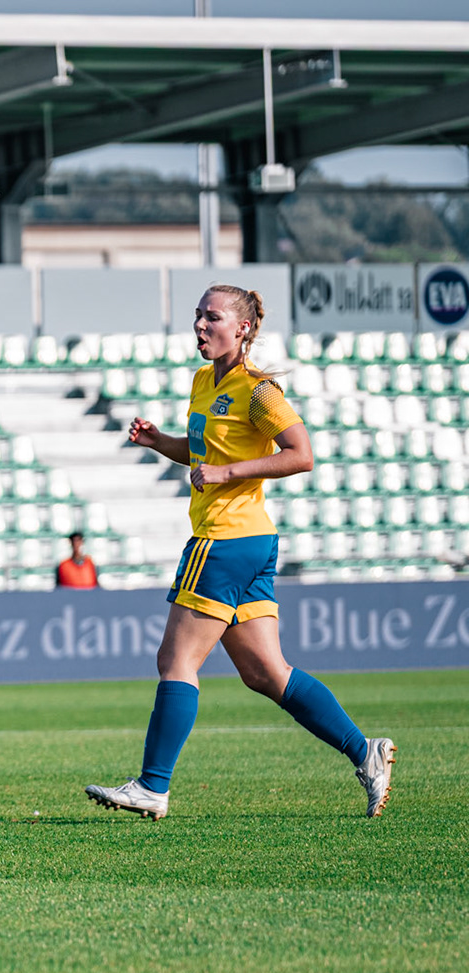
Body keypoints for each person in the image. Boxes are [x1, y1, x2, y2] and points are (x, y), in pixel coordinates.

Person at [85, 284, 395, 820]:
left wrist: (229, 473)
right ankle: (365, 752)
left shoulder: (260, 391)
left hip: (225, 539)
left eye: (213, 318)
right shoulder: (205, 380)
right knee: (267, 674)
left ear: (243, 329)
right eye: (198, 316)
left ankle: (153, 786)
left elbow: (301, 455)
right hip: (250, 542)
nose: (201, 326)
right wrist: (160, 442)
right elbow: (204, 453)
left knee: (176, 660)